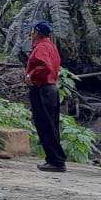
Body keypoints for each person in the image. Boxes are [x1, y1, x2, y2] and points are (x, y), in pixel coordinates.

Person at [25, 22, 66, 172]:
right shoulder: (50, 46)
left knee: (45, 125)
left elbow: (46, 66)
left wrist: (31, 75)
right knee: (51, 124)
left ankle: (55, 161)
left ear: (36, 32)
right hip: (51, 89)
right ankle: (55, 159)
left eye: (33, 31)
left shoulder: (41, 47)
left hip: (42, 88)